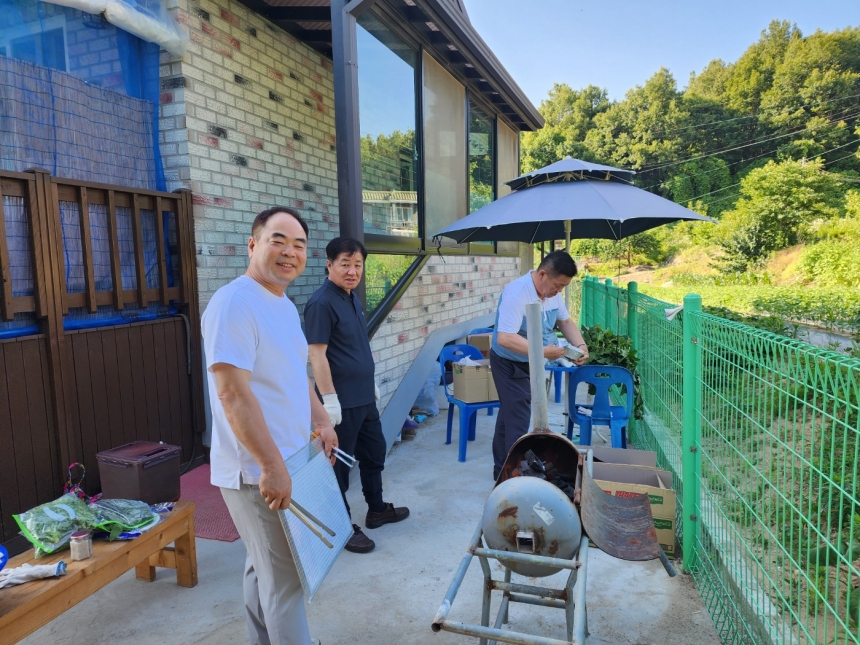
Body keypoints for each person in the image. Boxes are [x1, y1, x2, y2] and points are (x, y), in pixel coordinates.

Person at [202, 206, 338, 645]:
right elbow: (232, 394)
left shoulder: (281, 304)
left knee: (263, 565)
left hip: (289, 458)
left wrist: (322, 420)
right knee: (285, 580)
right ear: (253, 244)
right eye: (278, 240)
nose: (289, 252)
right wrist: (271, 465)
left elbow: (295, 375)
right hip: (256, 469)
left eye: (299, 245)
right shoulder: (234, 303)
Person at [304, 237, 409, 554]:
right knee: (338, 467)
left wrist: (370, 381)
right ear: (329, 265)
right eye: (345, 264)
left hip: (364, 399)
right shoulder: (321, 303)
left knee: (374, 453)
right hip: (341, 404)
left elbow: (356, 346)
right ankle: (340, 526)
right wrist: (329, 400)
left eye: (357, 264)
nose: (352, 271)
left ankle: (377, 509)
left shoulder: (352, 298)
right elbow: (317, 355)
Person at [489, 251, 589, 480]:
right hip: (508, 362)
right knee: (519, 416)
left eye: (564, 286)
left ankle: (502, 471)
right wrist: (544, 351)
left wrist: (580, 345)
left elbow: (565, 321)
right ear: (543, 274)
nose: (559, 291)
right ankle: (514, 476)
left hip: (531, 361)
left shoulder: (551, 294)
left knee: (509, 414)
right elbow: (505, 338)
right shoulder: (516, 293)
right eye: (558, 285)